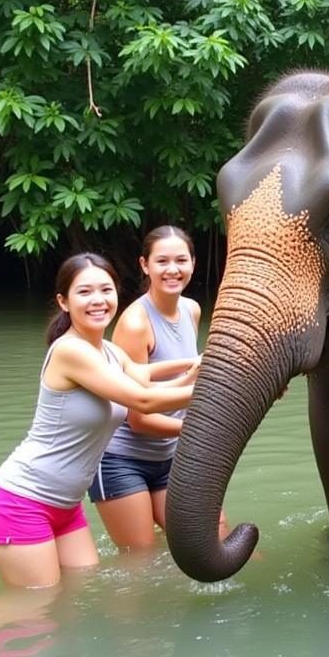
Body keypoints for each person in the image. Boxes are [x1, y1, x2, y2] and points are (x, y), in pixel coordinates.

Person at [0, 253, 201, 589]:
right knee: (29, 608)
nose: (98, 300)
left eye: (106, 290)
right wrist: (224, 387)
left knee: (78, 595)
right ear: (63, 302)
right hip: (20, 501)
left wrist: (204, 364)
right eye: (84, 292)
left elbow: (146, 377)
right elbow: (144, 400)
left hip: (66, 506)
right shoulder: (71, 351)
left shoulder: (108, 352)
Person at [88, 226, 229, 549]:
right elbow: (138, 418)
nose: (172, 269)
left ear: (193, 263)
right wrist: (199, 431)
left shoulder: (191, 310)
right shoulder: (136, 323)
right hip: (122, 459)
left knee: (213, 537)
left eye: (181, 260)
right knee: (142, 561)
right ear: (144, 265)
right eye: (162, 261)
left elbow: (181, 380)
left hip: (171, 455)